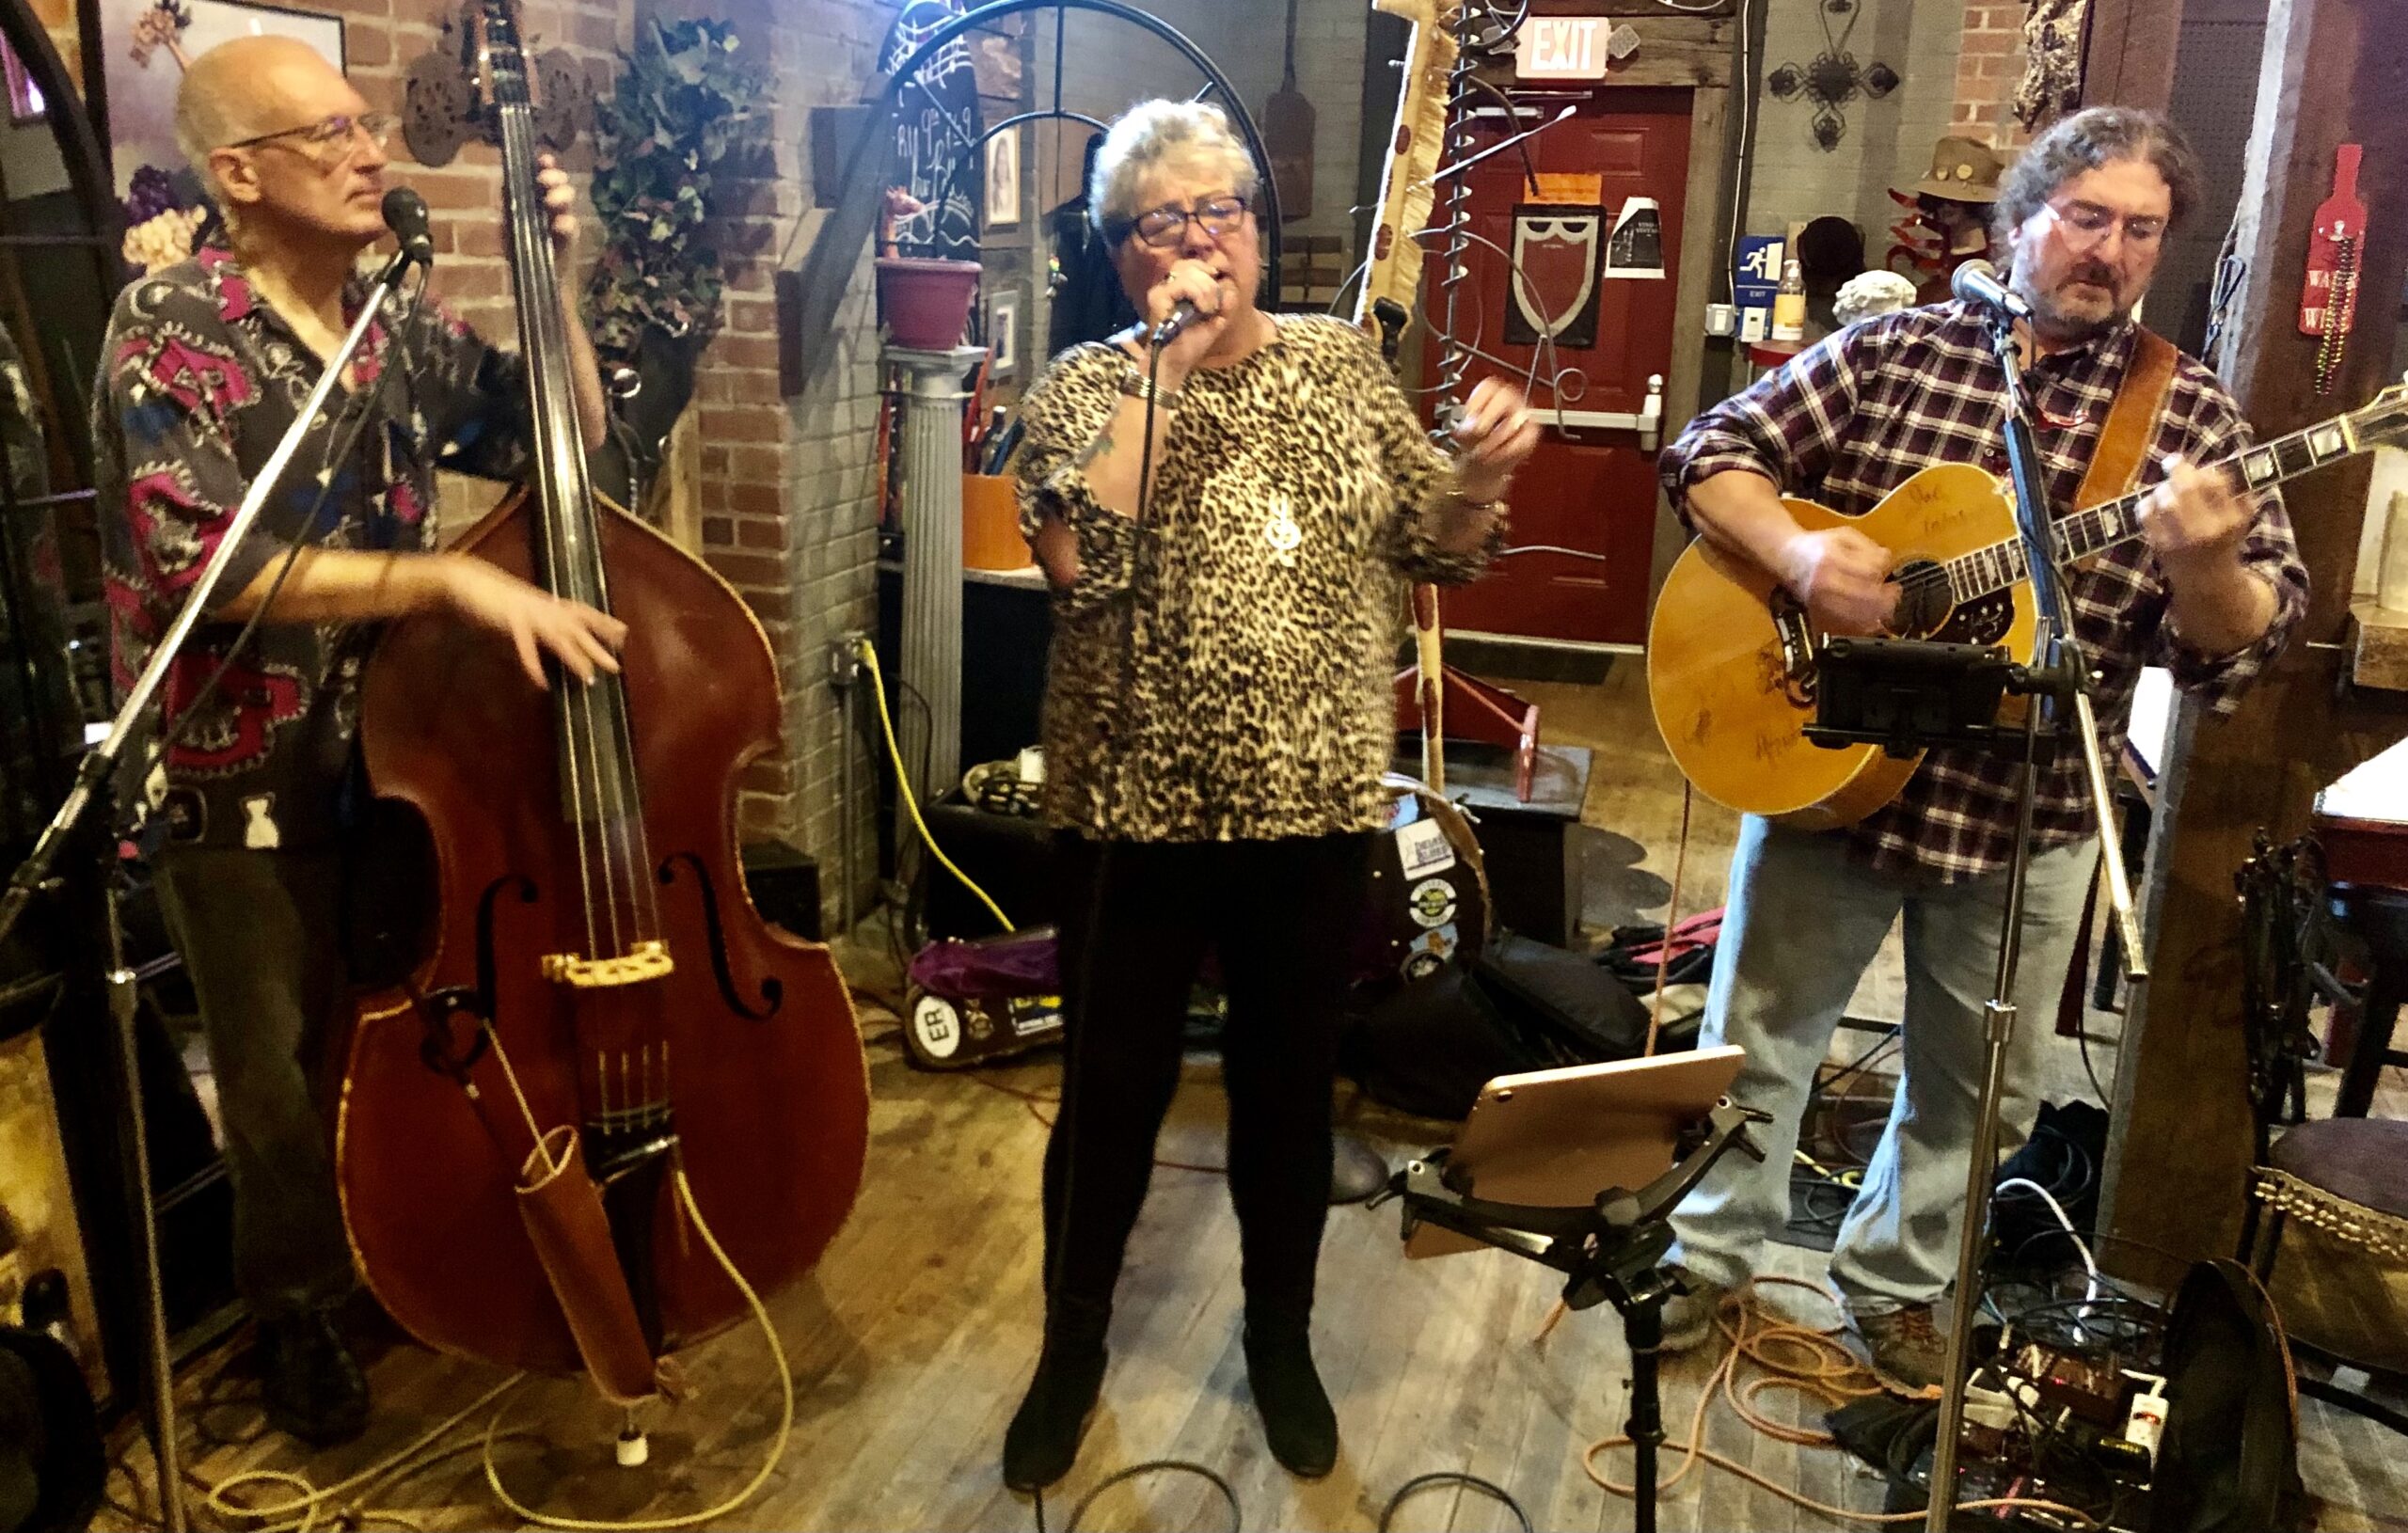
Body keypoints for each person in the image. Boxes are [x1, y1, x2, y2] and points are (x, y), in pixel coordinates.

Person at [1655, 106, 2308, 1392]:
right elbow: (1709, 454)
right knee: (1755, 1040)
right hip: (1829, 760)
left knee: (1982, 1090)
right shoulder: (1894, 350)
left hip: (2033, 807)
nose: (2109, 250)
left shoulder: (2190, 416)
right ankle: (1704, 1255)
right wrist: (1800, 554)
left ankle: (1898, 1281)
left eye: (2141, 230)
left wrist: (2206, 565)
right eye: (2086, 217)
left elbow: (2243, 648)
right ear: (2021, 222)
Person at [1003, 99, 1537, 1489]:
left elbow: (1436, 544)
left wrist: (1478, 476)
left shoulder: (1340, 367)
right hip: (1131, 812)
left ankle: (1280, 1338)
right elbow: (1084, 568)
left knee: (1288, 1093)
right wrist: (1165, 371)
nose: (1200, 239)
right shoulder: (1083, 387)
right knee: (1110, 1093)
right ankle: (1071, 1347)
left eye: (1220, 210)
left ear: (1256, 226)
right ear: (1120, 251)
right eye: (1163, 220)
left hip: (1309, 812)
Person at [96, 36, 621, 1445]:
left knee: (379, 1033)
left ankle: (396, 1241)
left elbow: (559, 439)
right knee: (272, 1074)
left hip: (393, 757)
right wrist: (448, 581)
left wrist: (558, 282)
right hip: (233, 777)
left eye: (360, 125)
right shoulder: (169, 325)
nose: (367, 151)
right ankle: (295, 1309)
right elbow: (206, 563)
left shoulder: (391, 319)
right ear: (239, 174)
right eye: (327, 134)